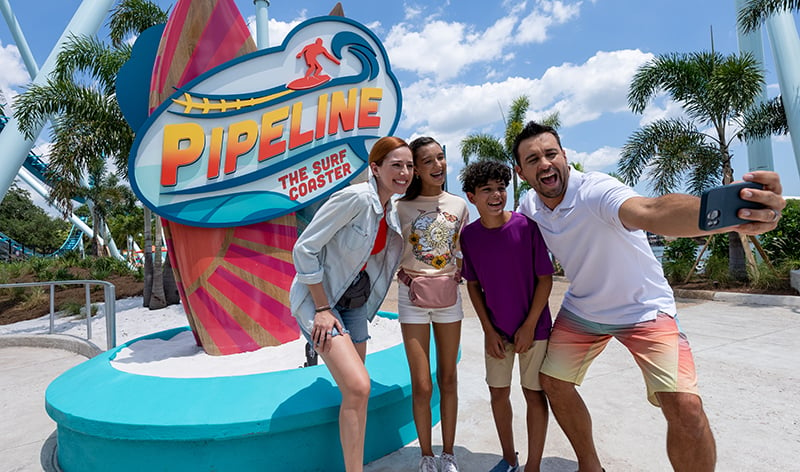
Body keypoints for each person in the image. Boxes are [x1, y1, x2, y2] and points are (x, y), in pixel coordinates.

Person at [512, 121, 787, 472]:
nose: (545, 163)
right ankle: (590, 466)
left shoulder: (595, 191)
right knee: (553, 382)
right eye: (533, 159)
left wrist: (727, 214)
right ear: (521, 172)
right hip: (584, 309)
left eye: (551, 154)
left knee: (686, 407)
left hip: (644, 310)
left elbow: (653, 210)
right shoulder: (530, 204)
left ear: (565, 156)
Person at [290, 136, 413, 472]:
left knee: (356, 390)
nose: (404, 172)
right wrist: (322, 308)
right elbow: (304, 249)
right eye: (396, 165)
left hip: (355, 301)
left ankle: (354, 462)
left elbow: (370, 258)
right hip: (321, 302)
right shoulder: (355, 197)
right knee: (359, 385)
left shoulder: (389, 210)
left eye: (409, 166)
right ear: (375, 168)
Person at [459, 160, 553, 472]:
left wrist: (529, 326)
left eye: (501, 188)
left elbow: (545, 279)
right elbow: (472, 285)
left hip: (534, 329)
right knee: (498, 393)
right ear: (472, 197)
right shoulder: (469, 237)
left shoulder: (527, 228)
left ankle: (533, 466)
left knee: (534, 395)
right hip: (497, 331)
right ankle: (509, 459)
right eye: (487, 190)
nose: (496, 194)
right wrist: (488, 330)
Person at [395, 136, 470, 472]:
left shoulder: (458, 205)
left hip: (448, 297)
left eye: (441, 158)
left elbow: (464, 251)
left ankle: (448, 453)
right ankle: (426, 455)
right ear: (416, 170)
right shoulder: (400, 207)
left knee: (449, 377)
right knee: (422, 383)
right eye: (428, 161)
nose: (438, 165)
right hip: (412, 297)